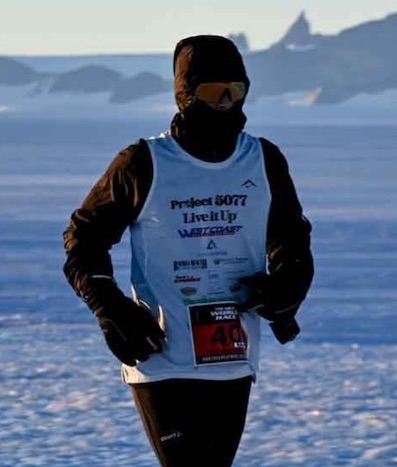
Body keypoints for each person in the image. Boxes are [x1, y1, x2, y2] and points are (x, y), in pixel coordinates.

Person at [62, 35, 314, 466]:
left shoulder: (263, 160)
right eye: (213, 92)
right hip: (161, 355)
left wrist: (287, 286)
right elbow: (83, 242)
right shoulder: (143, 163)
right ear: (185, 95)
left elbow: (292, 239)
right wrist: (111, 307)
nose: (225, 103)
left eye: (236, 91)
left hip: (232, 357)